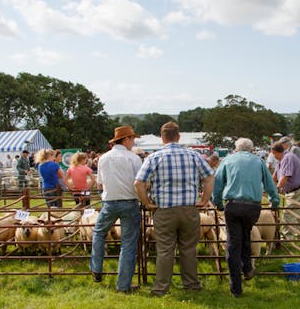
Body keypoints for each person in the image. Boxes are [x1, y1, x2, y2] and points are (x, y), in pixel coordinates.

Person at [134, 121, 214, 296]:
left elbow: (138, 183)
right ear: (178, 137)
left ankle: (161, 287)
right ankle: (191, 284)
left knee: (164, 250)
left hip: (164, 210)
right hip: (189, 209)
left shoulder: (154, 157)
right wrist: (204, 200)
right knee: (189, 248)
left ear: (162, 138)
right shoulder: (193, 155)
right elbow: (209, 177)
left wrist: (147, 203)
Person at [211, 138, 280, 297]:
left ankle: (236, 287)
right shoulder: (259, 161)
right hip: (253, 207)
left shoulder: (227, 160)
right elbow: (269, 184)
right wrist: (274, 201)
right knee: (246, 235)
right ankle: (247, 268)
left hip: (233, 206)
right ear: (251, 149)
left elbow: (218, 183)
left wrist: (218, 203)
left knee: (234, 244)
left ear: (236, 149)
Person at [90, 126, 143, 293]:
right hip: (130, 202)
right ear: (126, 139)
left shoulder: (104, 158)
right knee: (128, 244)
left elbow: (100, 183)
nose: (133, 142)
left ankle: (96, 268)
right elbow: (140, 182)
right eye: (132, 139)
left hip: (110, 203)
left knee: (99, 232)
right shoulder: (134, 158)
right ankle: (123, 286)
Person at [270, 141, 300, 238]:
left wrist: (276, 189)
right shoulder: (282, 159)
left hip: (299, 189)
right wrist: (269, 186)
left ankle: (287, 237)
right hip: (298, 188)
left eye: (273, 154)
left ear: (275, 152)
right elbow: (275, 176)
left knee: (288, 213)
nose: (273, 156)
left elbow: (285, 176)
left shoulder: (288, 158)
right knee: (298, 212)